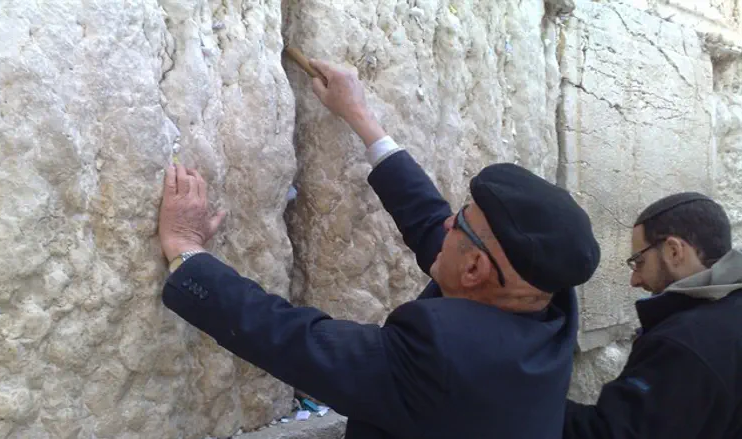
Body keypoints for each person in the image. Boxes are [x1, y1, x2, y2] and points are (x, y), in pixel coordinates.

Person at [158, 59, 601, 439]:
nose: (448, 222)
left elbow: (295, 341)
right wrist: (361, 117)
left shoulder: (445, 356)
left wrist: (185, 248)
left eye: (461, 222)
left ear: (474, 269)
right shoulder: (544, 306)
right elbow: (430, 223)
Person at [563, 193, 742, 439]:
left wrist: (529, 403)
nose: (635, 280)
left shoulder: (682, 344)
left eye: (639, 262)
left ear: (674, 251)